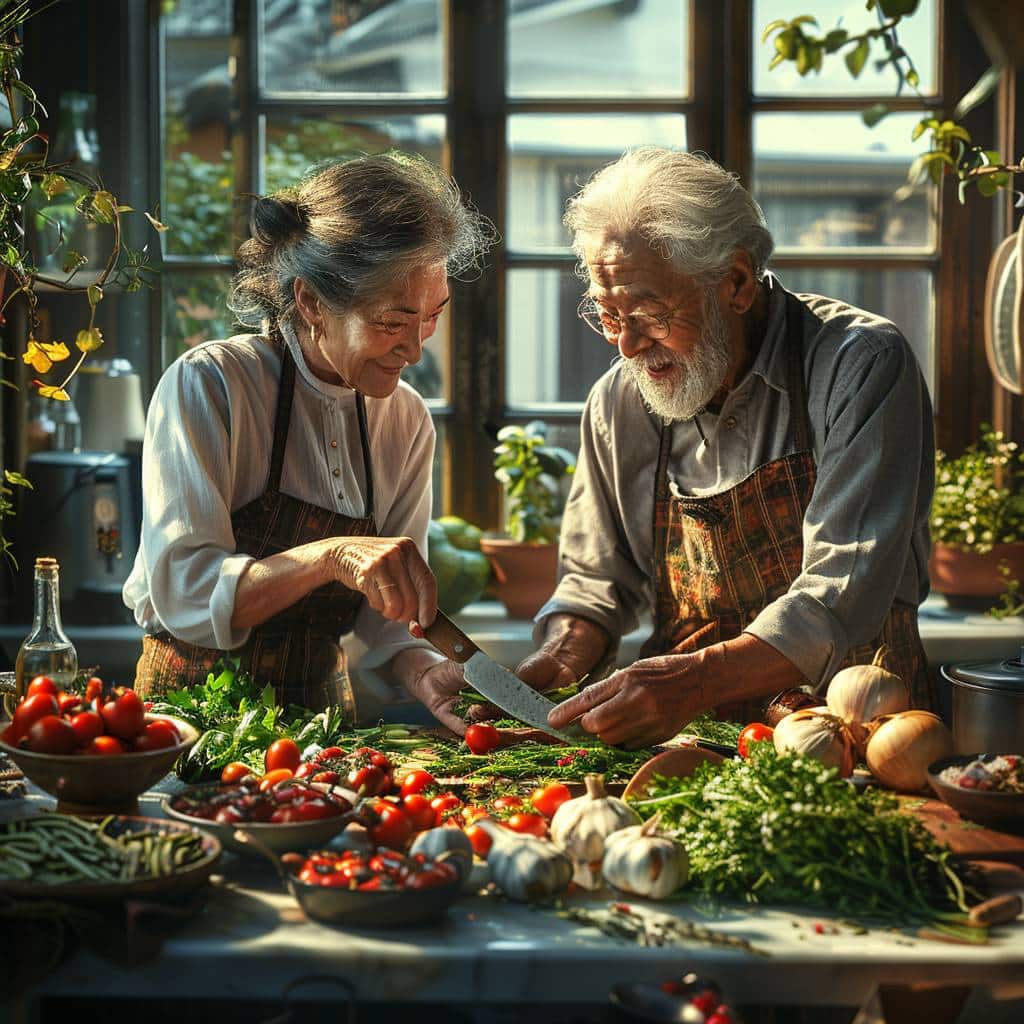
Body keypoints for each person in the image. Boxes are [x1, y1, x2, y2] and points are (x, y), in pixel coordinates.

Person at [512, 146, 934, 748]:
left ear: (735, 282)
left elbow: (842, 591)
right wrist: (558, 662)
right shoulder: (619, 400)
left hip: (857, 732)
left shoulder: (859, 364)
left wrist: (693, 680)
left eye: (650, 315)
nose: (628, 345)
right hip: (689, 741)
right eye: (607, 315)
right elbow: (596, 582)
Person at [124, 152, 491, 731]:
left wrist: (425, 674)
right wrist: (331, 555)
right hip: (187, 728)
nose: (414, 349)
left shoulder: (407, 420)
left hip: (322, 739)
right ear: (311, 302)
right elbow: (187, 593)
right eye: (392, 323)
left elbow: (389, 619)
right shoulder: (213, 385)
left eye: (431, 318)